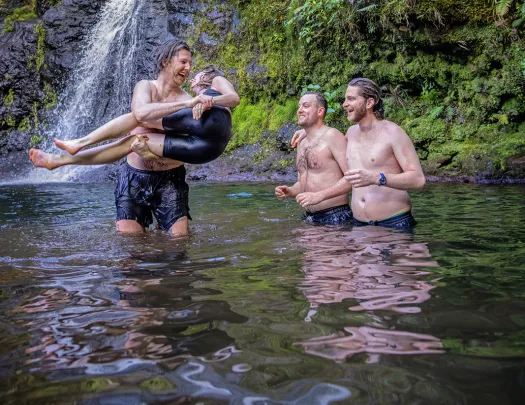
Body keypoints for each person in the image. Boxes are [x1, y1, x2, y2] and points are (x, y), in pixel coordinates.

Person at [30, 40, 238, 235]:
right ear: (166, 61)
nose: (188, 68)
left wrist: (152, 155)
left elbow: (184, 148)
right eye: (183, 62)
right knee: (129, 245)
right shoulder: (146, 86)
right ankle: (65, 155)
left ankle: (72, 150)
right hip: (134, 178)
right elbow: (140, 114)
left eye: (190, 64)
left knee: (177, 244)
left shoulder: (188, 99)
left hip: (169, 179)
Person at [293, 78, 425, 229]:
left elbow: (418, 180)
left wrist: (377, 177)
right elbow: (325, 138)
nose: (344, 104)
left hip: (394, 223)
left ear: (370, 102)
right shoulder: (351, 133)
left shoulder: (393, 132)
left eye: (351, 99)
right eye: (345, 99)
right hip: (359, 226)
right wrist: (307, 131)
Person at [274, 92, 352, 225]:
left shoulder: (332, 136)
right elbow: (304, 182)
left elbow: (352, 178)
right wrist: (291, 191)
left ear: (320, 111)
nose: (299, 110)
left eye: (305, 106)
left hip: (335, 216)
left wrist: (319, 196)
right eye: (299, 106)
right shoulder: (301, 143)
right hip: (310, 217)